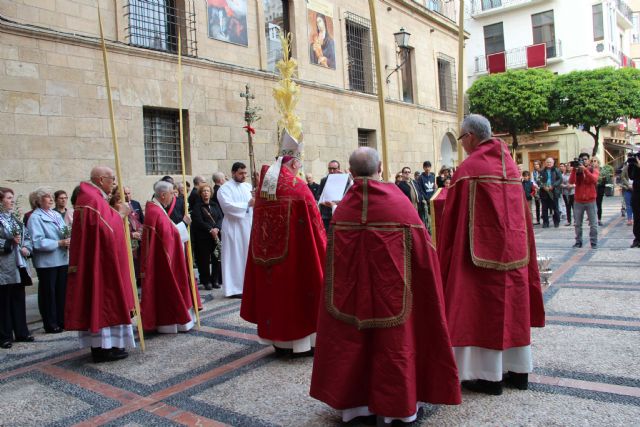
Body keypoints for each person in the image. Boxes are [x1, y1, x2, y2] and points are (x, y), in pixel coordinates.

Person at [310, 147, 461, 424]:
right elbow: (424, 250)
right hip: (394, 296)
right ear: (380, 167)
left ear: (351, 172)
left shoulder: (343, 209)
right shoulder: (398, 203)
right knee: (394, 346)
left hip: (350, 298)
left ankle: (356, 409)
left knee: (353, 342)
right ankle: (397, 411)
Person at [438, 115, 545, 396]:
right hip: (515, 253)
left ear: (471, 136)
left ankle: (488, 376)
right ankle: (518, 371)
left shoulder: (469, 169)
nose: (462, 145)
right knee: (512, 311)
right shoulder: (510, 165)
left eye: (461, 139)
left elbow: (453, 218)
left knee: (481, 310)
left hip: (477, 258)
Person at [241, 130, 326, 356]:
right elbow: (315, 225)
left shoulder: (265, 187)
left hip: (266, 257)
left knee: (275, 297)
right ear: (295, 163)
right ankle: (302, 343)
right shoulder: (298, 187)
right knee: (296, 294)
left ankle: (279, 342)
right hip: (296, 257)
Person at [65, 166, 136, 363]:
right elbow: (106, 230)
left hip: (99, 260)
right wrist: (120, 214)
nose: (114, 183)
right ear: (101, 179)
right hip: (101, 263)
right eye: (112, 179)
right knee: (103, 301)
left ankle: (106, 346)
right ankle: (104, 348)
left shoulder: (92, 196)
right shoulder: (92, 199)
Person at [140, 180, 197, 333]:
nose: (174, 196)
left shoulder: (157, 209)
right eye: (172, 193)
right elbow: (168, 236)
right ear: (163, 195)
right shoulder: (155, 212)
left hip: (163, 258)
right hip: (163, 261)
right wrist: (184, 224)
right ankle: (172, 321)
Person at [27, 188, 70, 334]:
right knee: (49, 293)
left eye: (51, 196)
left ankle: (61, 319)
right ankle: (50, 323)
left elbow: (64, 230)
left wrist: (68, 239)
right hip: (47, 262)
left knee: (61, 291)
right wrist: (58, 243)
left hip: (61, 259)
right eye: (47, 197)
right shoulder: (35, 217)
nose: (51, 199)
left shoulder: (55, 214)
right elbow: (37, 241)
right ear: (38, 201)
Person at [0, 187, 34, 349]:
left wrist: (27, 247)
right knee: (4, 302)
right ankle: (4, 336)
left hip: (19, 263)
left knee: (18, 299)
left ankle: (22, 331)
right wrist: (8, 242)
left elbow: (26, 236)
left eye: (12, 198)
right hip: (4, 266)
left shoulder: (14, 219)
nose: (12, 201)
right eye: (8, 198)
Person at [217, 162, 253, 298]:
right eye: (241, 173)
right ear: (233, 173)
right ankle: (235, 288)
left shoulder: (248, 186)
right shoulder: (224, 189)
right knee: (235, 257)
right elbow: (227, 206)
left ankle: (247, 285)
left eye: (245, 173)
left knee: (246, 256)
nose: (244, 176)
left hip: (247, 225)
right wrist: (248, 204)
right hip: (233, 227)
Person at [191, 183, 224, 291]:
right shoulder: (197, 206)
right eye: (204, 191)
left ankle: (215, 280)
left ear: (211, 193)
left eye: (208, 191)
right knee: (204, 260)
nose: (206, 193)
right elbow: (198, 221)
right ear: (200, 194)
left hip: (215, 237)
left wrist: (217, 228)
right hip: (203, 238)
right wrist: (210, 229)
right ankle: (206, 281)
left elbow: (220, 217)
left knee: (216, 259)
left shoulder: (215, 205)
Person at [569, 153, 599, 249]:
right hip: (578, 201)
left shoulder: (593, 169)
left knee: (593, 224)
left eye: (585, 159)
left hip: (591, 200)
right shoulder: (577, 171)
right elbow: (571, 181)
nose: (583, 161)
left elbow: (594, 180)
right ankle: (578, 242)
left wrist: (585, 170)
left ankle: (593, 242)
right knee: (577, 223)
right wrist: (574, 169)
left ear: (589, 160)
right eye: (582, 159)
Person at [318, 160, 345, 232]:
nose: (332, 171)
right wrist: (322, 201)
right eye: (330, 168)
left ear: (339, 169)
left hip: (340, 214)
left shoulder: (344, 180)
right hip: (326, 214)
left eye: (334, 168)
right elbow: (319, 195)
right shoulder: (324, 180)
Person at [539, 157, 562, 228]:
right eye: (547, 162)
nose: (549, 163)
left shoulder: (556, 170)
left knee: (555, 208)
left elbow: (560, 179)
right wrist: (543, 186)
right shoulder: (542, 171)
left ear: (553, 163)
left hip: (554, 191)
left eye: (550, 162)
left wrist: (553, 185)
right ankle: (545, 222)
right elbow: (539, 180)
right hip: (544, 192)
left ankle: (556, 222)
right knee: (544, 208)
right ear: (545, 163)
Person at [627, 152, 640, 247]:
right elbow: (631, 176)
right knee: (637, 219)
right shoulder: (634, 164)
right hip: (636, 196)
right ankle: (637, 239)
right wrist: (632, 166)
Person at [593, 158, 607, 226]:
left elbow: (605, 180)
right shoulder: (590, 170)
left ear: (598, 162)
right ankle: (593, 219)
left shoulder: (602, 170)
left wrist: (599, 183)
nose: (593, 162)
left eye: (595, 161)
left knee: (599, 204)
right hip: (592, 189)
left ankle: (599, 219)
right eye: (592, 161)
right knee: (592, 205)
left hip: (600, 189)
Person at [621, 161, 634, 226]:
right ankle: (629, 219)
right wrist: (628, 184)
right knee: (628, 204)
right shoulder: (625, 168)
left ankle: (635, 219)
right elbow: (622, 177)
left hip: (636, 189)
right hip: (627, 188)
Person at [532, 160, 542, 225]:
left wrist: (540, 186)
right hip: (536, 190)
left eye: (537, 164)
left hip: (543, 189)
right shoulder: (533, 173)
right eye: (535, 164)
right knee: (537, 205)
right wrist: (536, 186)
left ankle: (544, 217)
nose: (536, 165)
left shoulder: (542, 171)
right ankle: (538, 220)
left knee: (544, 205)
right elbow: (532, 180)